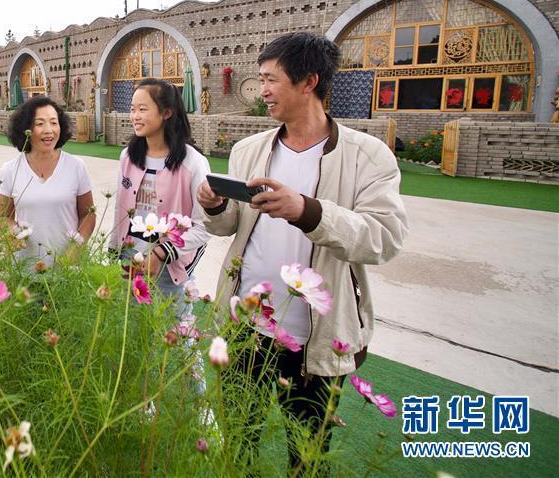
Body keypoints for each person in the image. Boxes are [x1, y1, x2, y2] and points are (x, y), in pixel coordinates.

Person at [196, 32, 408, 468]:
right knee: (238, 444)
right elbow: (231, 225)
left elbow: (383, 238)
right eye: (260, 79)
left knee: (308, 457)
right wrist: (215, 206)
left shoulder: (367, 156)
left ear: (309, 81)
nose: (263, 90)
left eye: (271, 79)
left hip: (314, 340)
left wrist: (308, 211)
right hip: (245, 326)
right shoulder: (249, 150)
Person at [111, 78, 211, 313]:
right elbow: (119, 208)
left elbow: (205, 226)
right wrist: (115, 247)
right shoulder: (128, 156)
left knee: (171, 329)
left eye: (142, 109)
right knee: (129, 326)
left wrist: (162, 253)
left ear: (167, 113)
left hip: (170, 264)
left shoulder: (193, 163)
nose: (135, 116)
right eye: (133, 109)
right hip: (130, 257)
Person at [0, 96, 95, 265]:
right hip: (24, 265)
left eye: (54, 123)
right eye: (40, 123)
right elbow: (3, 216)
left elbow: (88, 213)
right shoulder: (10, 170)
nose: (49, 130)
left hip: (68, 266)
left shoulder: (76, 166)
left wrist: (77, 246)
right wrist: (12, 233)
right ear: (26, 128)